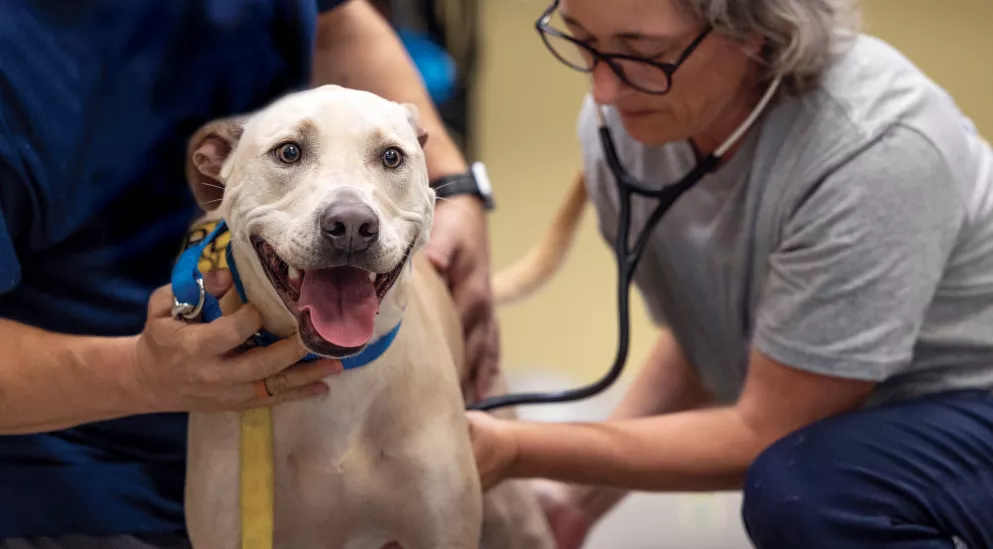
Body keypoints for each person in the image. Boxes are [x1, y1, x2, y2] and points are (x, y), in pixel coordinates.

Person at [465, 0, 993, 548]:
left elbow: (767, 429)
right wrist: (577, 499)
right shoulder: (628, 136)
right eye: (584, 40)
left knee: (805, 490)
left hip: (978, 397)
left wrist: (513, 449)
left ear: (753, 30)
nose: (603, 91)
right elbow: (710, 336)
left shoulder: (874, 149)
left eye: (642, 53)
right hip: (890, 427)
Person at [0, 1, 499, 546]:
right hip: (79, 477)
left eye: (393, 160)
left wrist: (455, 185)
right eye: (290, 152)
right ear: (213, 178)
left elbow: (338, 20)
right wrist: (139, 373)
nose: (352, 220)